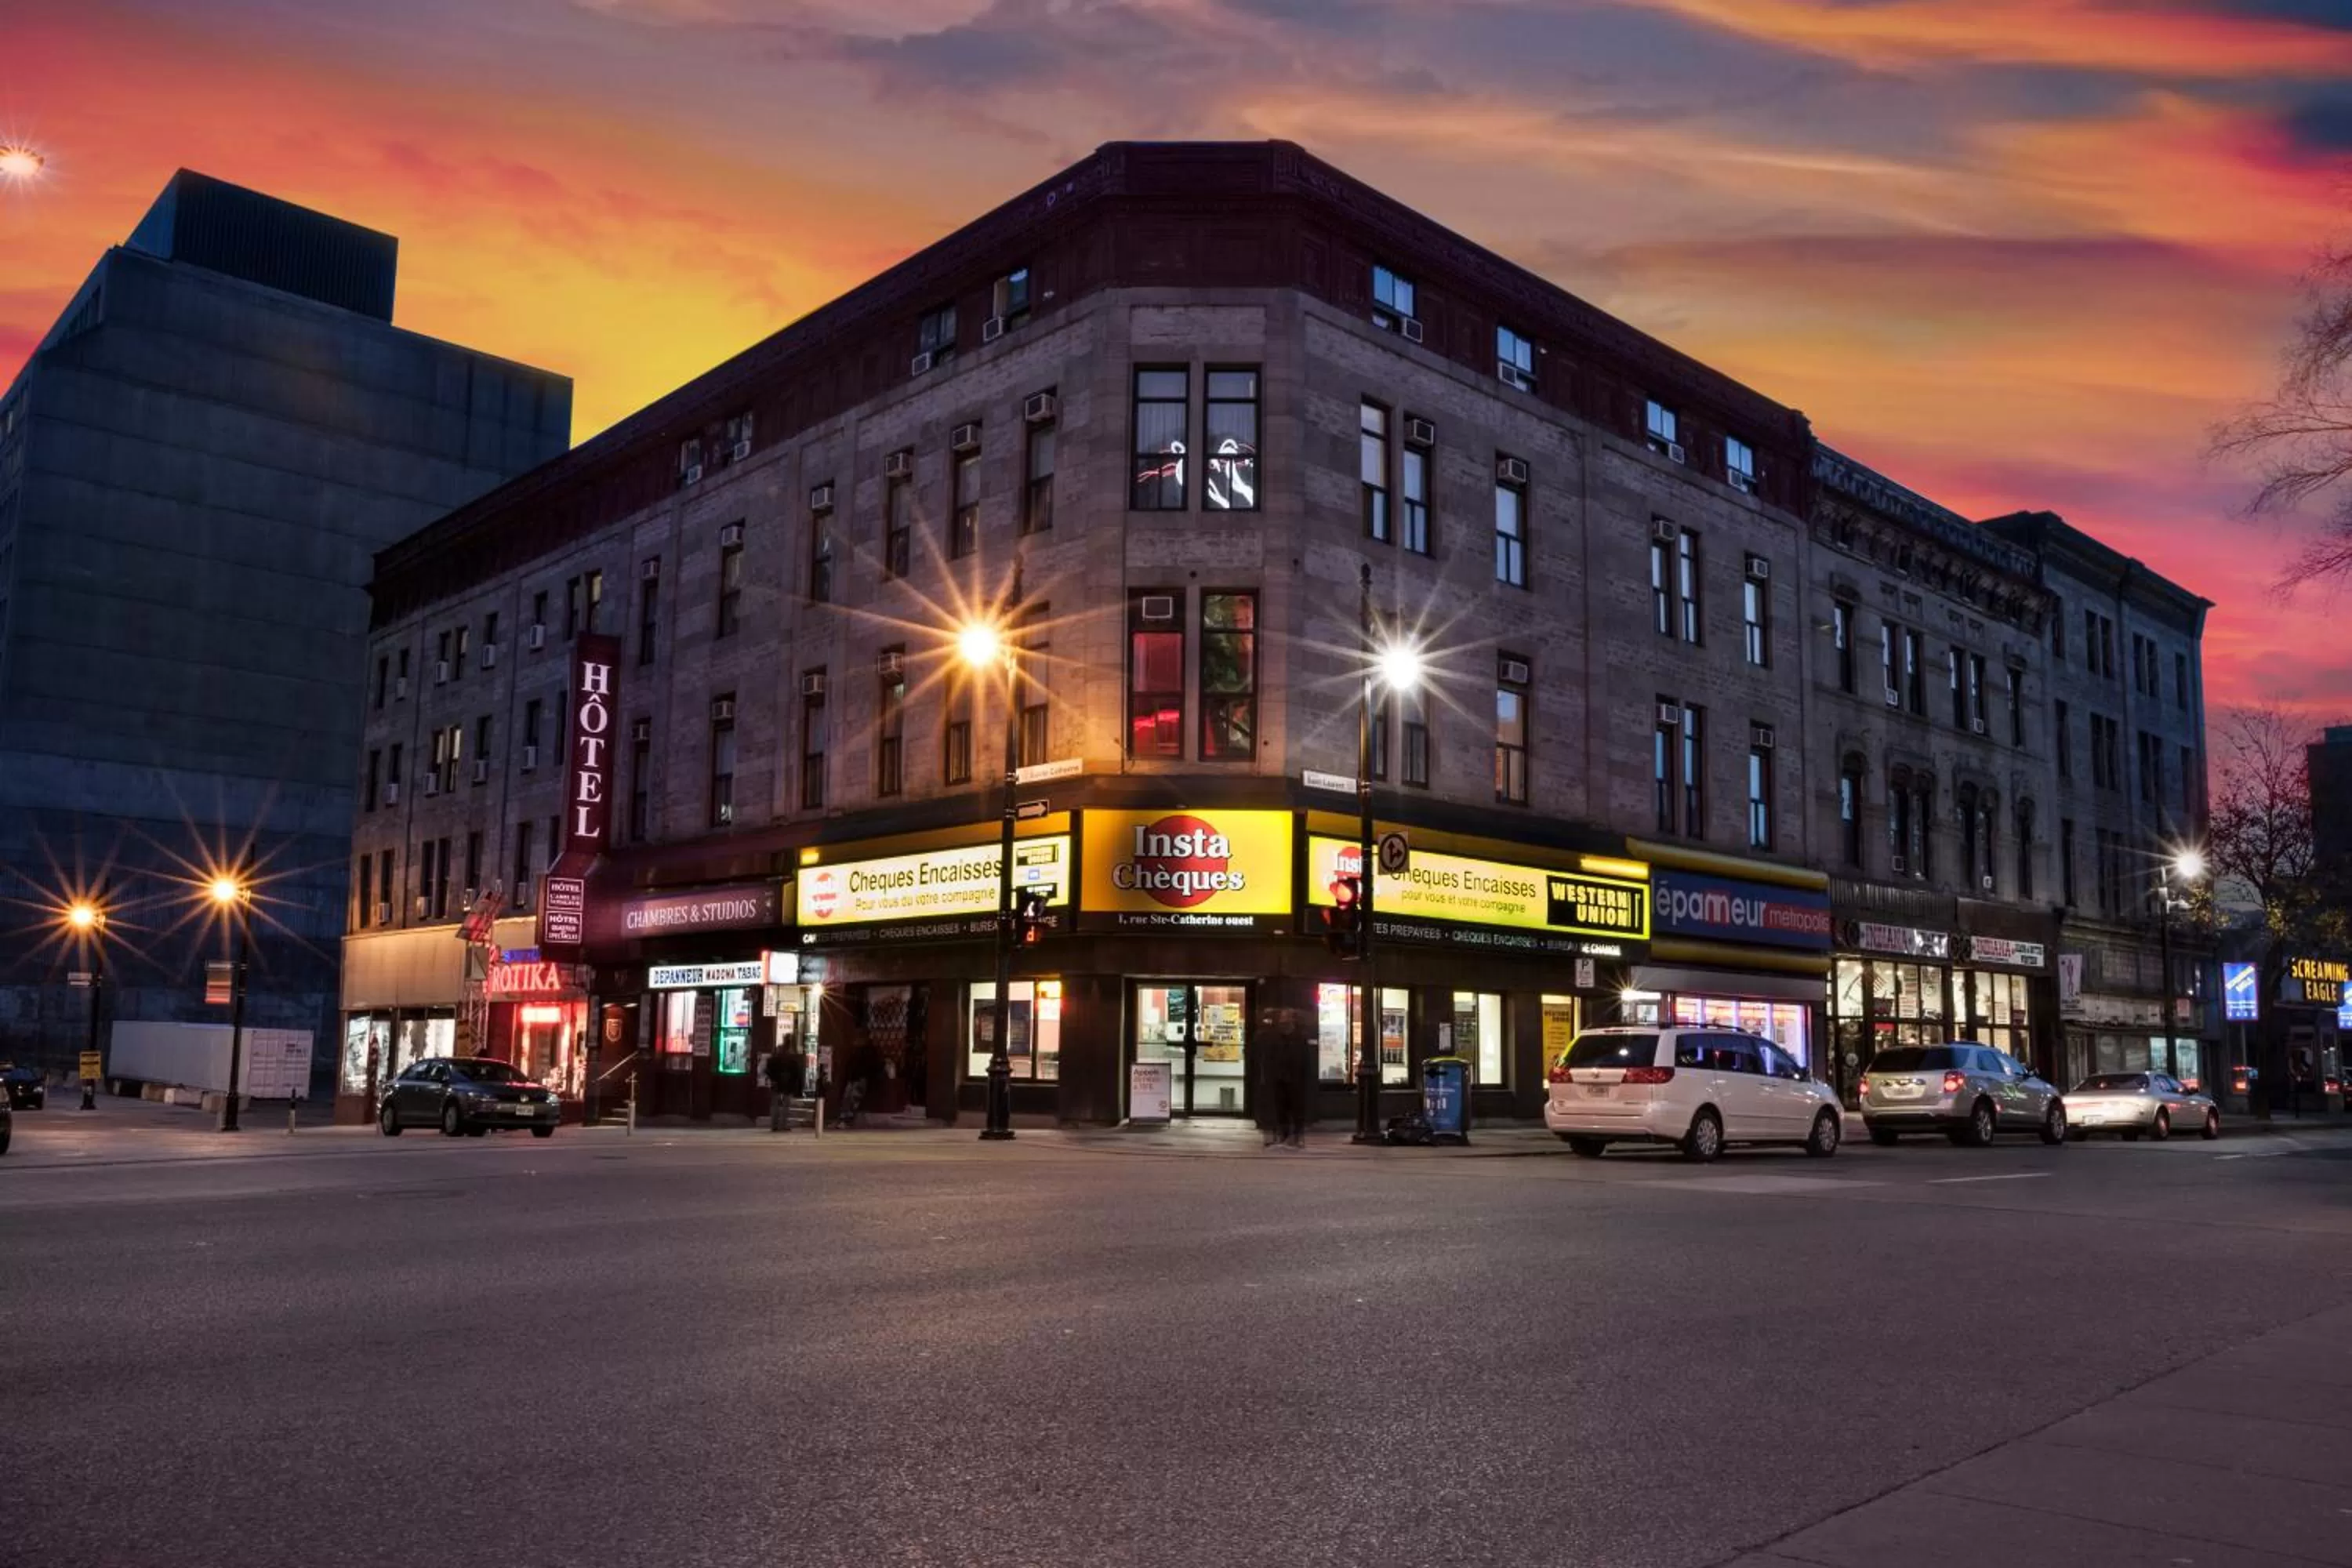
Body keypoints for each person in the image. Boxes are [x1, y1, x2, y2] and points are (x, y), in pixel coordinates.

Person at [764, 1044, 793, 1132]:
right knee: (785, 1106)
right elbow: (792, 1072)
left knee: (775, 1105)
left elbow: (767, 1071)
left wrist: (772, 1079)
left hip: (775, 1084)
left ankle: (774, 1125)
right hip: (786, 1085)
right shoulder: (788, 1060)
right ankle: (783, 1125)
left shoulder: (771, 1060)